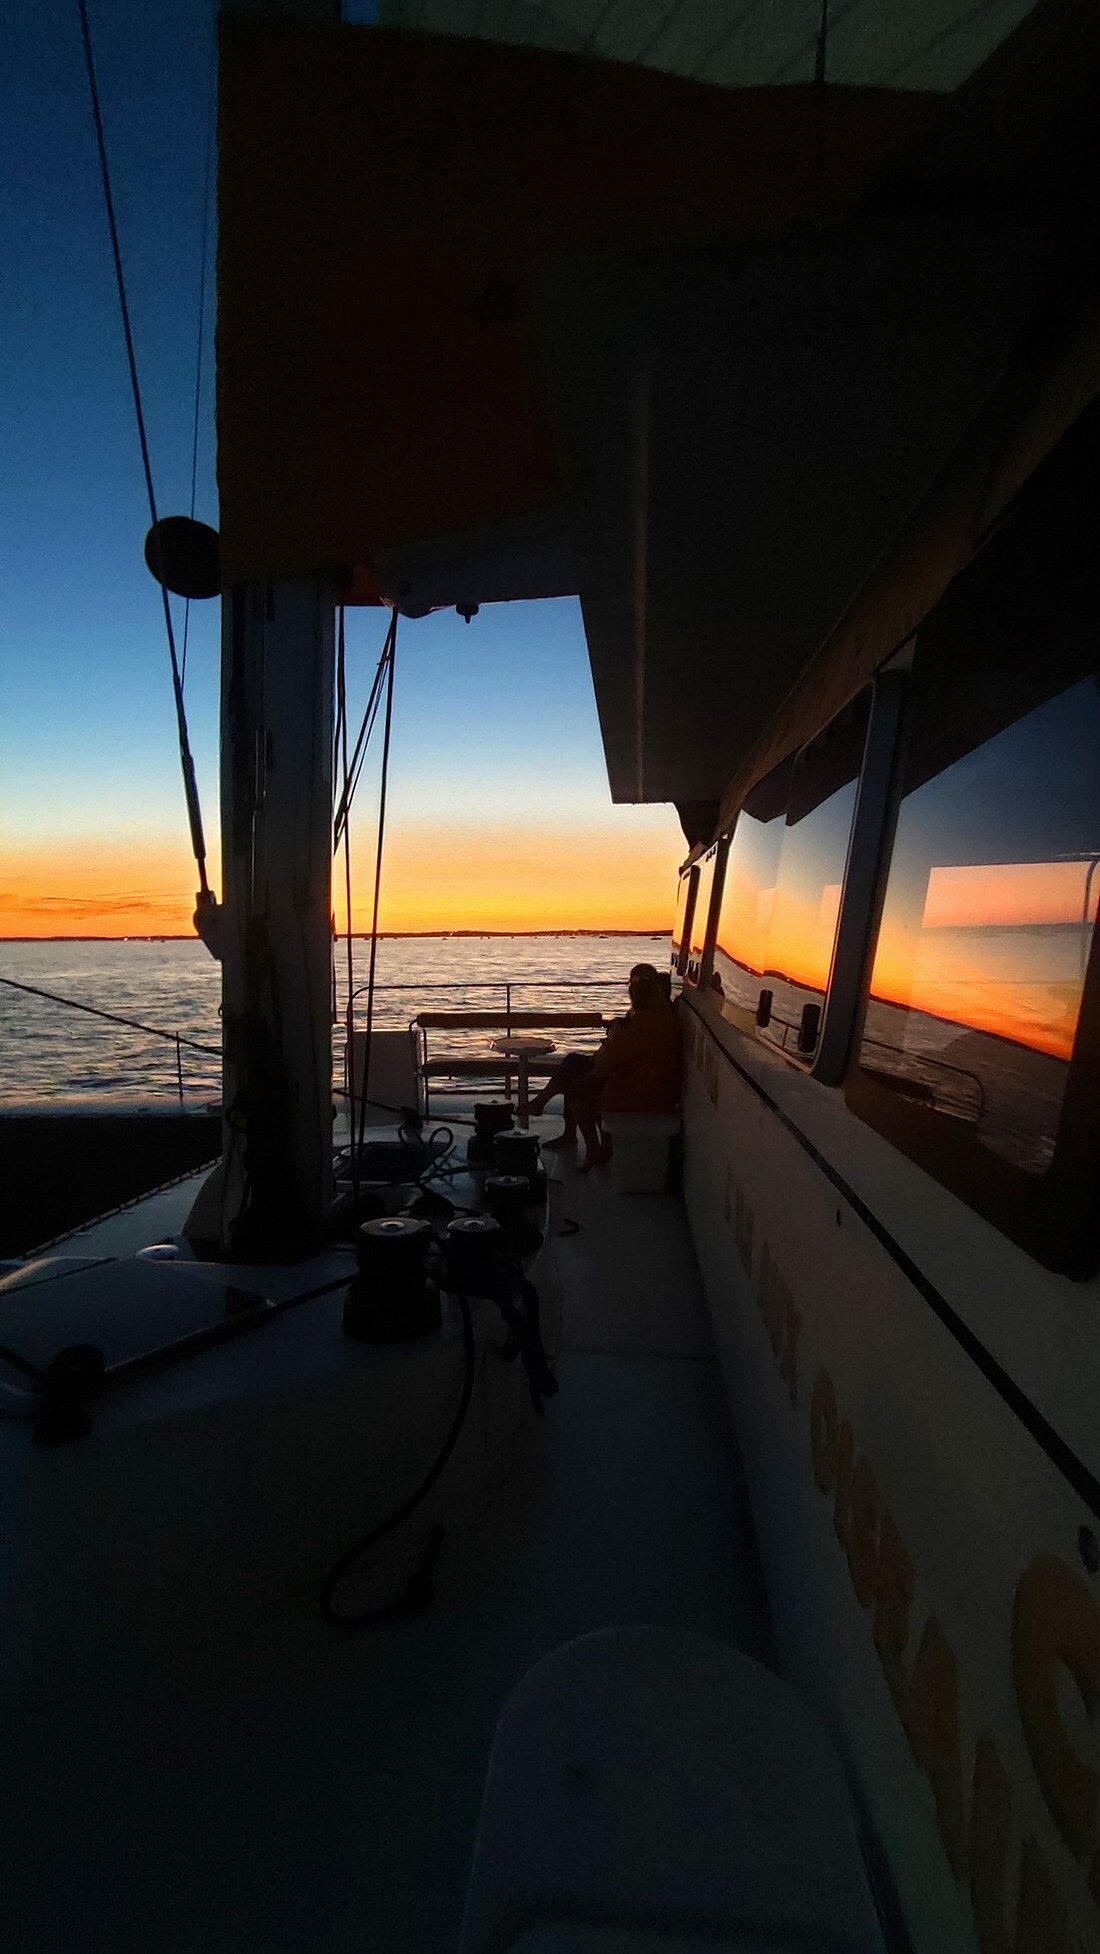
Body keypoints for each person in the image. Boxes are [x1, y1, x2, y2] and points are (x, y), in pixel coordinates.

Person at [529, 964, 680, 1169]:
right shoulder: (653, 1011)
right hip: (633, 1073)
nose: (634, 990)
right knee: (572, 1062)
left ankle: (595, 1151)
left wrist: (614, 1036)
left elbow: (606, 1060)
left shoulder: (649, 1021)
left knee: (578, 1089)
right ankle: (551, 1115)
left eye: (637, 986)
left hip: (640, 1091)